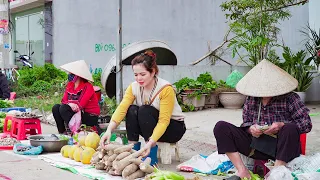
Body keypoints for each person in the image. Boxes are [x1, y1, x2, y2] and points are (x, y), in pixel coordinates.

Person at [213, 59, 312, 179]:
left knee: (289, 128)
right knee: (221, 127)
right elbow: (246, 122)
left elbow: (306, 124)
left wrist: (282, 125)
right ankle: (242, 170)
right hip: (257, 147)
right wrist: (251, 129)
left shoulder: (291, 98)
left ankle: (276, 173)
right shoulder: (251, 99)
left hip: (283, 149)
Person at [100, 50, 186, 165]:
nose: (139, 78)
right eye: (136, 75)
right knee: (131, 109)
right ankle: (132, 151)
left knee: (145, 110)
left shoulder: (165, 89)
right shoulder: (134, 87)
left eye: (143, 74)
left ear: (153, 72)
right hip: (150, 125)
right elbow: (122, 108)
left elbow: (163, 121)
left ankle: (151, 154)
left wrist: (150, 143)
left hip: (173, 127)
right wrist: (109, 130)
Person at [52, 60, 100, 134]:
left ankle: (74, 133)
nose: (70, 75)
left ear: (78, 75)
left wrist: (70, 104)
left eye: (72, 73)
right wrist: (70, 104)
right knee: (56, 107)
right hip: (77, 113)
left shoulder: (88, 86)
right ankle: (63, 133)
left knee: (63, 108)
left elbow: (81, 104)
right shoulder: (70, 85)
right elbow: (64, 101)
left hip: (89, 116)